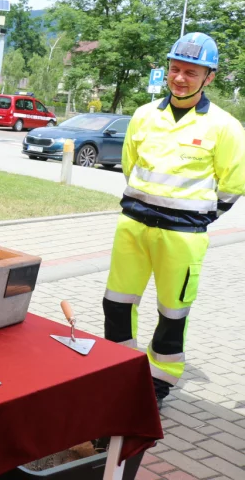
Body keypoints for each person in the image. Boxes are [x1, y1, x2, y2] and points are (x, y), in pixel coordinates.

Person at [103, 32, 245, 409]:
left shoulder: (225, 126)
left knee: (172, 313)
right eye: (175, 69)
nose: (180, 78)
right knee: (116, 304)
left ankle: (158, 383)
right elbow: (130, 165)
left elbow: (233, 184)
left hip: (183, 237)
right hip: (133, 227)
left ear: (209, 77)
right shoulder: (144, 115)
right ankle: (118, 372)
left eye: (191, 72)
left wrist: (197, 217)